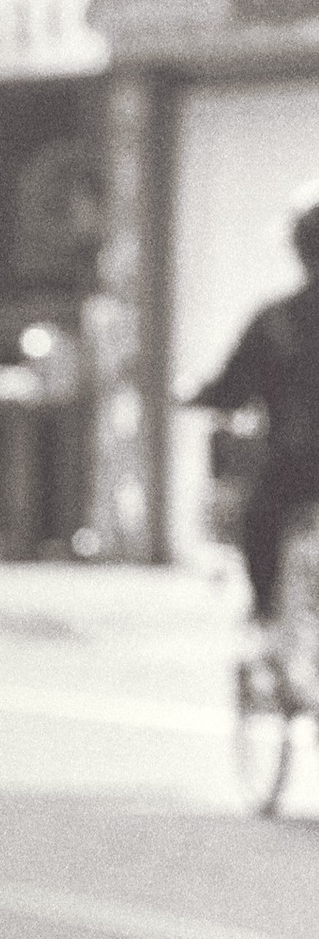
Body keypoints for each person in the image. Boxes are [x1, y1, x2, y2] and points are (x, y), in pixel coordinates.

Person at [188, 193, 319, 628]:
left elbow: (230, 388)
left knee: (259, 522)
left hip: (294, 464)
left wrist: (194, 395)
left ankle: (264, 615)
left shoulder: (275, 320)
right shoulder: (272, 320)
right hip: (296, 463)